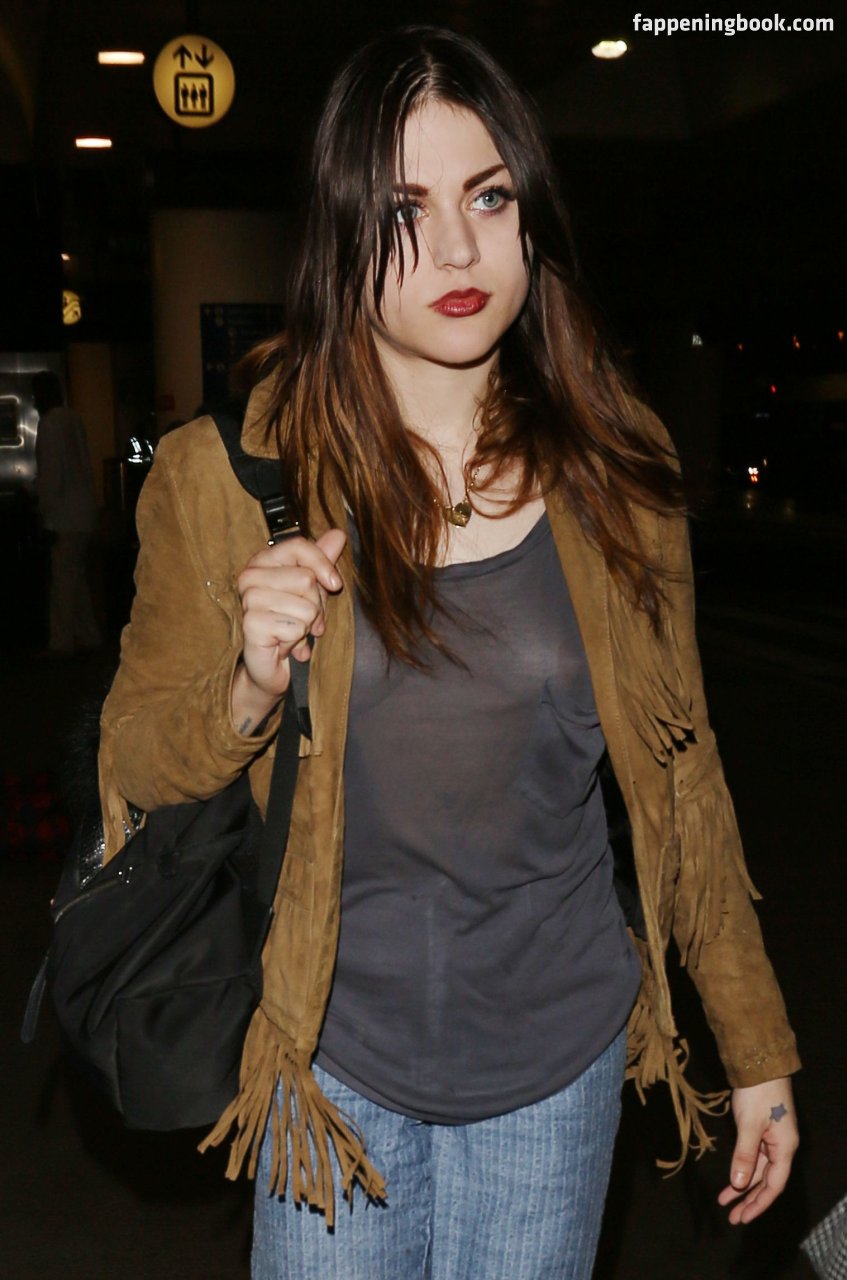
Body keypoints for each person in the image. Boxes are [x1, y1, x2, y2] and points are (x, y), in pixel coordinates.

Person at [98, 26, 800, 1279]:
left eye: (487, 197)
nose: (460, 252)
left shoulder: (617, 467)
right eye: (403, 212)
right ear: (339, 234)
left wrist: (755, 1049)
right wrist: (250, 683)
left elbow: (682, 775)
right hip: (329, 1060)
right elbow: (133, 762)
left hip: (558, 1061)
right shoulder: (228, 478)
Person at [33, 371, 102, 654]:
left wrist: (45, 515)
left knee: (63, 582)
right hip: (83, 511)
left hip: (63, 515)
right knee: (76, 578)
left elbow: (51, 477)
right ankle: (87, 634)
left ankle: (61, 641)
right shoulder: (73, 419)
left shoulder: (49, 424)